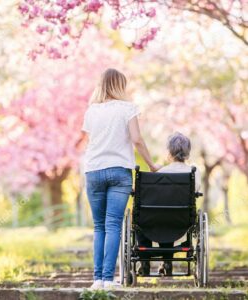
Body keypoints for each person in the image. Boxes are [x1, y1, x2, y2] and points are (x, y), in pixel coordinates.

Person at [82, 68, 161, 289]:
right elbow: (137, 139)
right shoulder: (128, 108)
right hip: (119, 172)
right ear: (120, 86)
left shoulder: (91, 111)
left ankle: (97, 280)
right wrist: (152, 164)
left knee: (99, 227)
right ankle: (108, 279)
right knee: (113, 225)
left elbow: (91, 141)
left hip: (94, 170)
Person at [138, 132, 201, 276]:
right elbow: (197, 189)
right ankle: (167, 261)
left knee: (147, 218)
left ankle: (144, 261)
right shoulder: (194, 173)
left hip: (154, 220)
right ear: (188, 152)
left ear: (169, 152)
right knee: (170, 218)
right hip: (181, 220)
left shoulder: (159, 172)